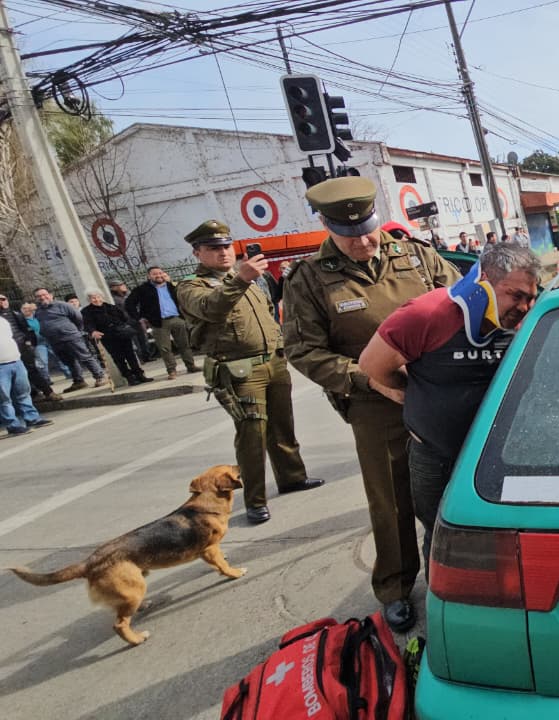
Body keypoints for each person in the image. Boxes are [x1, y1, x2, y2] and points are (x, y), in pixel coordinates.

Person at [283, 176, 460, 632]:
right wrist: (371, 380)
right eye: (349, 235)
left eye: (367, 230)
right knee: (392, 499)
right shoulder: (309, 279)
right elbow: (304, 351)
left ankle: (460, 573)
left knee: (458, 486)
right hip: (374, 404)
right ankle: (395, 587)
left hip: (440, 393)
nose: (363, 242)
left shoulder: (418, 256)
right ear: (326, 226)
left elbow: (465, 305)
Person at [359, 244, 539, 575]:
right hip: (436, 456)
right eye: (515, 295)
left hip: (505, 456)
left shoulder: (526, 321)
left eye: (530, 297)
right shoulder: (426, 314)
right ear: (484, 282)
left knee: (504, 536)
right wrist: (412, 394)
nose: (524, 306)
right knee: (444, 539)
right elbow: (372, 364)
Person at [178, 220, 320, 525]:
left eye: (226, 247)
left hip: (273, 361)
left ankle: (292, 477)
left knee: (283, 427)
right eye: (213, 248)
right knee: (252, 436)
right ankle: (255, 499)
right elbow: (211, 308)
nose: (223, 253)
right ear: (197, 253)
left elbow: (269, 313)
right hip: (240, 370)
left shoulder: (249, 278)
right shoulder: (192, 286)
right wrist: (241, 279)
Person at [127, 266, 198, 380]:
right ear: (149, 276)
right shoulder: (142, 289)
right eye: (155, 274)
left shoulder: (172, 286)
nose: (158, 275)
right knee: (165, 348)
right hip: (158, 322)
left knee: (184, 344)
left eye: (160, 273)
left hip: (177, 318)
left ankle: (191, 365)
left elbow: (186, 292)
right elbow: (129, 303)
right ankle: (172, 370)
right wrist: (139, 318)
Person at [33, 287, 107, 391]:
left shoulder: (63, 305)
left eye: (44, 294)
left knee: (85, 357)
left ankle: (100, 376)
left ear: (50, 295)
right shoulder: (38, 311)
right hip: (54, 341)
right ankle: (79, 381)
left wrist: (75, 330)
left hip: (71, 337)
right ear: (36, 298)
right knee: (68, 362)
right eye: (39, 296)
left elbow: (78, 318)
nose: (42, 297)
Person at [81, 290, 152, 386]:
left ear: (102, 297)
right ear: (89, 299)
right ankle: (129, 377)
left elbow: (124, 318)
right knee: (118, 358)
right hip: (107, 336)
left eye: (98, 297)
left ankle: (139, 375)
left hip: (122, 333)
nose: (96, 299)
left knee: (131, 355)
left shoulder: (111, 307)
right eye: (93, 298)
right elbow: (87, 324)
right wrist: (93, 331)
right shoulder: (86, 311)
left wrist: (123, 325)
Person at [0, 318, 53, 436]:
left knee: (23, 393)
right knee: (4, 399)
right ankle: (13, 426)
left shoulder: (3, 321)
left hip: (15, 361)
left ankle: (32, 418)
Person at [0, 294, 58, 401]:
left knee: (32, 370)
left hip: (22, 347)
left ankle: (48, 392)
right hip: (6, 351)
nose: (2, 301)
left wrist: (29, 342)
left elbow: (26, 329)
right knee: (18, 375)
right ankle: (33, 394)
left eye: (3, 299)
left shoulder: (16, 314)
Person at [110, 280, 150, 362]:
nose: (123, 286)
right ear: (114, 288)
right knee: (135, 340)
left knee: (143, 338)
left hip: (137, 319)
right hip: (127, 321)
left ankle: (147, 356)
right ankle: (140, 358)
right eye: (120, 285)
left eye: (123, 284)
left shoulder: (128, 294)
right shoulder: (114, 299)